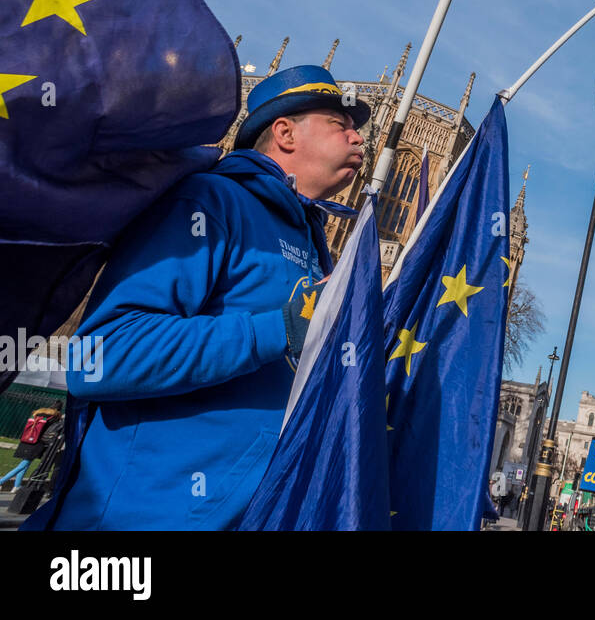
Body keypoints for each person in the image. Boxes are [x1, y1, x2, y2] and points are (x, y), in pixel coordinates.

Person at [24, 65, 370, 530]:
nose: (359, 139)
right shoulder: (209, 202)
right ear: (285, 133)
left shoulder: (314, 244)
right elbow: (100, 357)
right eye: (341, 125)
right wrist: (279, 329)